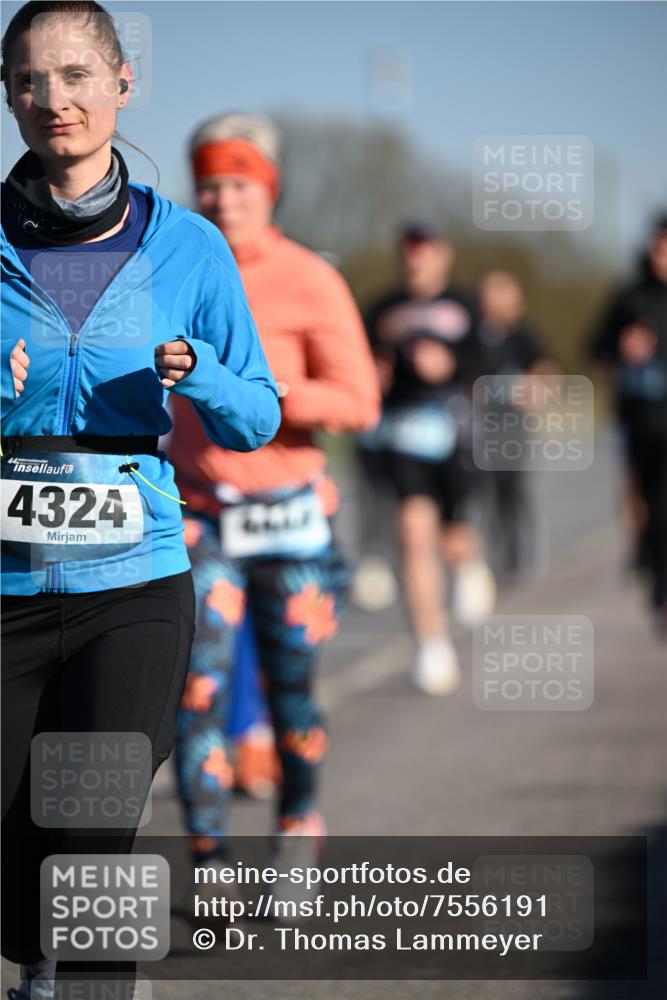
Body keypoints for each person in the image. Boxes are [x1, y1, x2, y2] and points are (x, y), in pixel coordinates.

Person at [0, 4, 280, 998]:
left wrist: (199, 369)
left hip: (136, 579)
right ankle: (42, 957)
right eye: (30, 79)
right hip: (6, 587)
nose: (53, 100)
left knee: (94, 823)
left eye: (77, 76)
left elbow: (255, 418)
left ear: (123, 85)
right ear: (8, 93)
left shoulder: (191, 248)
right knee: (17, 849)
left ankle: (97, 981)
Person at [168, 114, 380, 880]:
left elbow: (360, 401)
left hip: (291, 520)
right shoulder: (177, 270)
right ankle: (211, 860)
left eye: (239, 184)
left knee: (291, 694)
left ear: (268, 190)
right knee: (197, 692)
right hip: (202, 517)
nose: (223, 200)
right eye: (211, 184)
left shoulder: (308, 278)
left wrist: (262, 396)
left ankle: (297, 822)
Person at [365, 221, 496, 695]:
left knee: (453, 535)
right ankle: (431, 642)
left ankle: (469, 562)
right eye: (409, 252)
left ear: (444, 255)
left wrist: (453, 365)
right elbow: (362, 360)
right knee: (414, 535)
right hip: (403, 436)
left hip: (456, 435)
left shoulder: (466, 306)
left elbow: (491, 362)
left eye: (425, 251)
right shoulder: (383, 309)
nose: (416, 260)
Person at [591, 214, 667, 632]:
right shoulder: (630, 298)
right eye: (658, 246)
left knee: (663, 503)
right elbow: (596, 348)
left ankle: (661, 584)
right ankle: (650, 563)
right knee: (644, 502)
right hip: (639, 420)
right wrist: (621, 348)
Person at [477, 270, 554, 577]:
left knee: (514, 487)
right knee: (487, 490)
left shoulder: (523, 336)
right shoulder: (476, 336)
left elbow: (548, 367)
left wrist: (536, 386)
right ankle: (495, 548)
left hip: (513, 425)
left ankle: (522, 546)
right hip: (482, 425)